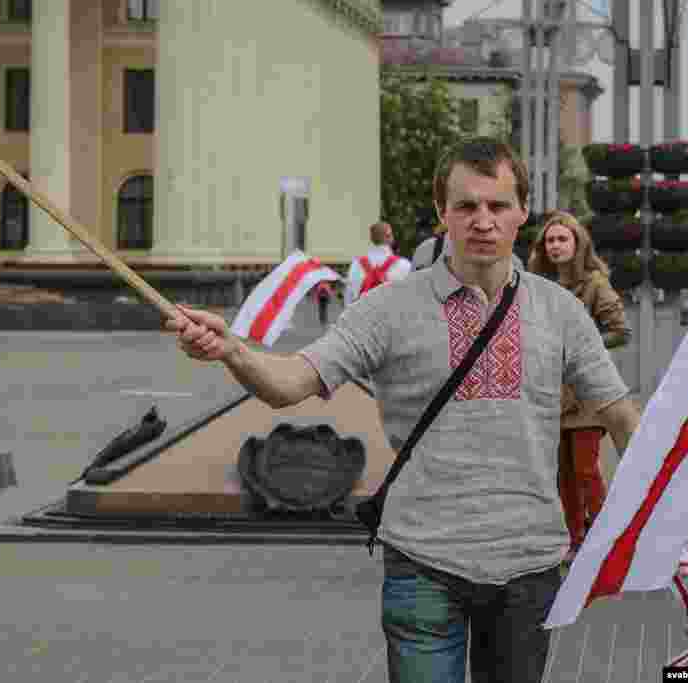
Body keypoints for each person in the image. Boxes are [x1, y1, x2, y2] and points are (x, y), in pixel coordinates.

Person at [165, 137, 643, 682]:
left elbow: (619, 413)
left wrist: (662, 516)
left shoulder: (561, 311)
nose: (482, 221)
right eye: (466, 205)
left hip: (530, 563)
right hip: (422, 563)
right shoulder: (387, 308)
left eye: (498, 205)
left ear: (522, 211)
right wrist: (233, 351)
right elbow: (290, 383)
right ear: (442, 211)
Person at [528, 211, 632, 564]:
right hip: (550, 394)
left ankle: (605, 543)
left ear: (578, 243)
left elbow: (620, 331)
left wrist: (582, 345)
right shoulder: (537, 286)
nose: (555, 246)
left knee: (586, 470)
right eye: (550, 240)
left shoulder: (595, 284)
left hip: (586, 391)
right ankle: (573, 542)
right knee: (563, 476)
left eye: (562, 239)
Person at [344, 221, 412, 306]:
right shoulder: (404, 265)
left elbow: (348, 299)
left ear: (371, 239)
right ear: (389, 236)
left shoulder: (356, 265)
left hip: (364, 312)